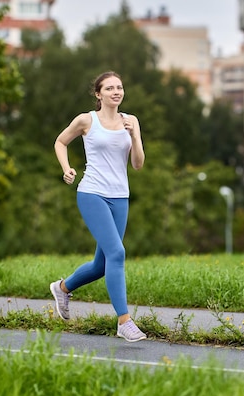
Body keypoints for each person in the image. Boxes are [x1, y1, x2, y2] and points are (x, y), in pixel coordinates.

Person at [50, 71, 146, 342]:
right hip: (92, 193)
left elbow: (137, 164)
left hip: (120, 197)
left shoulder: (131, 121)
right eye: (110, 88)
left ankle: (62, 287)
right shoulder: (86, 120)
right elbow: (60, 141)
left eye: (120, 87)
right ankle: (124, 321)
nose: (116, 91)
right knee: (117, 253)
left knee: (102, 264)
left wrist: (135, 137)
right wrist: (67, 168)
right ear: (98, 94)